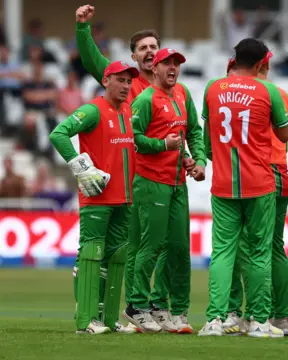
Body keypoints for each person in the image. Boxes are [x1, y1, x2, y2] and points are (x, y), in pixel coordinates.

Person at [74, 5, 196, 331]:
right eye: (143, 48)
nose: (149, 52)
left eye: (153, 48)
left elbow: (179, 129)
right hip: (134, 177)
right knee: (130, 249)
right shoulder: (126, 83)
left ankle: (149, 305)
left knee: (164, 246)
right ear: (133, 55)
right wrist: (84, 29)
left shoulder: (171, 90)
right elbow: (92, 62)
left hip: (161, 177)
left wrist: (189, 156)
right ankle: (123, 308)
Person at [198, 38, 288, 338]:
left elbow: (207, 136)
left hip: (223, 183)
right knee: (259, 253)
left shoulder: (213, 88)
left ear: (234, 60)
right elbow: (285, 133)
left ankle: (215, 320)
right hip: (259, 183)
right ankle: (260, 322)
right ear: (263, 63)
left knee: (222, 252)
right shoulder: (269, 91)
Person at [48, 61, 139, 334]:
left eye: (128, 81)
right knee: (90, 254)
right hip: (98, 197)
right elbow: (58, 133)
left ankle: (108, 320)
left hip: (124, 198)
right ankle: (86, 320)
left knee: (116, 257)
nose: (125, 86)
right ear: (106, 80)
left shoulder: (127, 111)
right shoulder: (92, 110)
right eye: (120, 80)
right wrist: (80, 167)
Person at [123, 48, 206, 334]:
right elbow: (133, 140)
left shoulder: (182, 94)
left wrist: (198, 160)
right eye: (167, 64)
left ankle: (161, 306)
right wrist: (163, 146)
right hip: (151, 182)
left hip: (177, 182)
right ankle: (136, 306)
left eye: (177, 64)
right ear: (154, 69)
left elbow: (194, 130)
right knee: (151, 246)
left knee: (180, 248)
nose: (173, 68)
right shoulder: (145, 99)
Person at [223, 53, 288, 336]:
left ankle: (239, 313)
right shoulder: (281, 94)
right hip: (280, 174)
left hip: (252, 174)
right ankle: (280, 317)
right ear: (266, 66)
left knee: (241, 246)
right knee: (274, 246)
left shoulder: (231, 94)